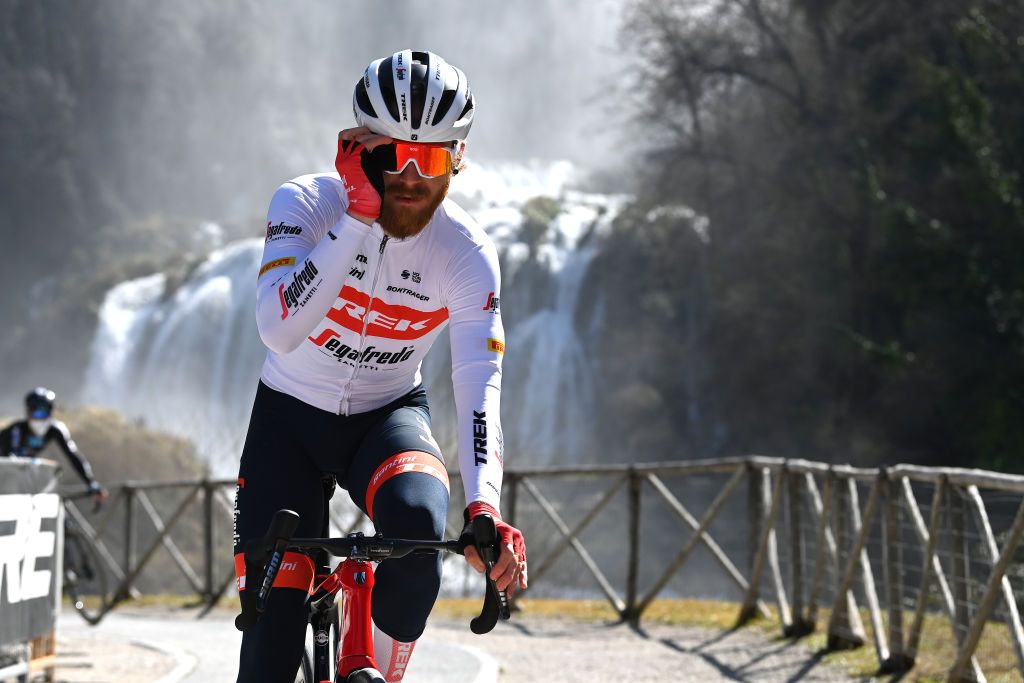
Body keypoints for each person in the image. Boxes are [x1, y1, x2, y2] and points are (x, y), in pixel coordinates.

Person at [234, 49, 527, 683]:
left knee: (422, 534)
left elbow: (480, 382)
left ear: (459, 159)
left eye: (435, 158)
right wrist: (358, 220)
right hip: (288, 423)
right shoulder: (307, 205)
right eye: (396, 153)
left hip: (387, 417)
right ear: (360, 148)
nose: (413, 176)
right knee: (269, 649)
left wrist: (484, 507)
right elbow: (279, 329)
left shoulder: (467, 253)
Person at [1, 387, 107, 504]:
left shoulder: (55, 430)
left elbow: (73, 456)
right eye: (35, 411)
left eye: (44, 411)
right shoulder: (15, 430)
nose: (39, 417)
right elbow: (10, 460)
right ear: (27, 412)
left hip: (23, 481)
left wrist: (90, 482)